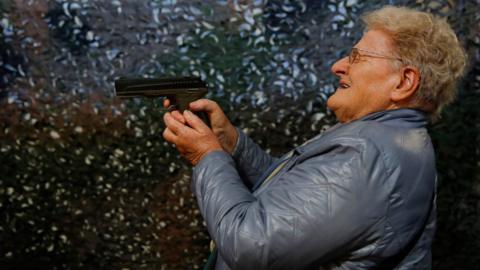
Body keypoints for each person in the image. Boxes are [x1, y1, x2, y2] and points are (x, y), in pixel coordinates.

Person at [162, 6, 466, 270]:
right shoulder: (385, 141)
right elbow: (295, 204)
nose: (338, 66)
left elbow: (251, 246)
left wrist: (207, 156)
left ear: (403, 82)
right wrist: (231, 145)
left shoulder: (366, 156)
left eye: (357, 57)